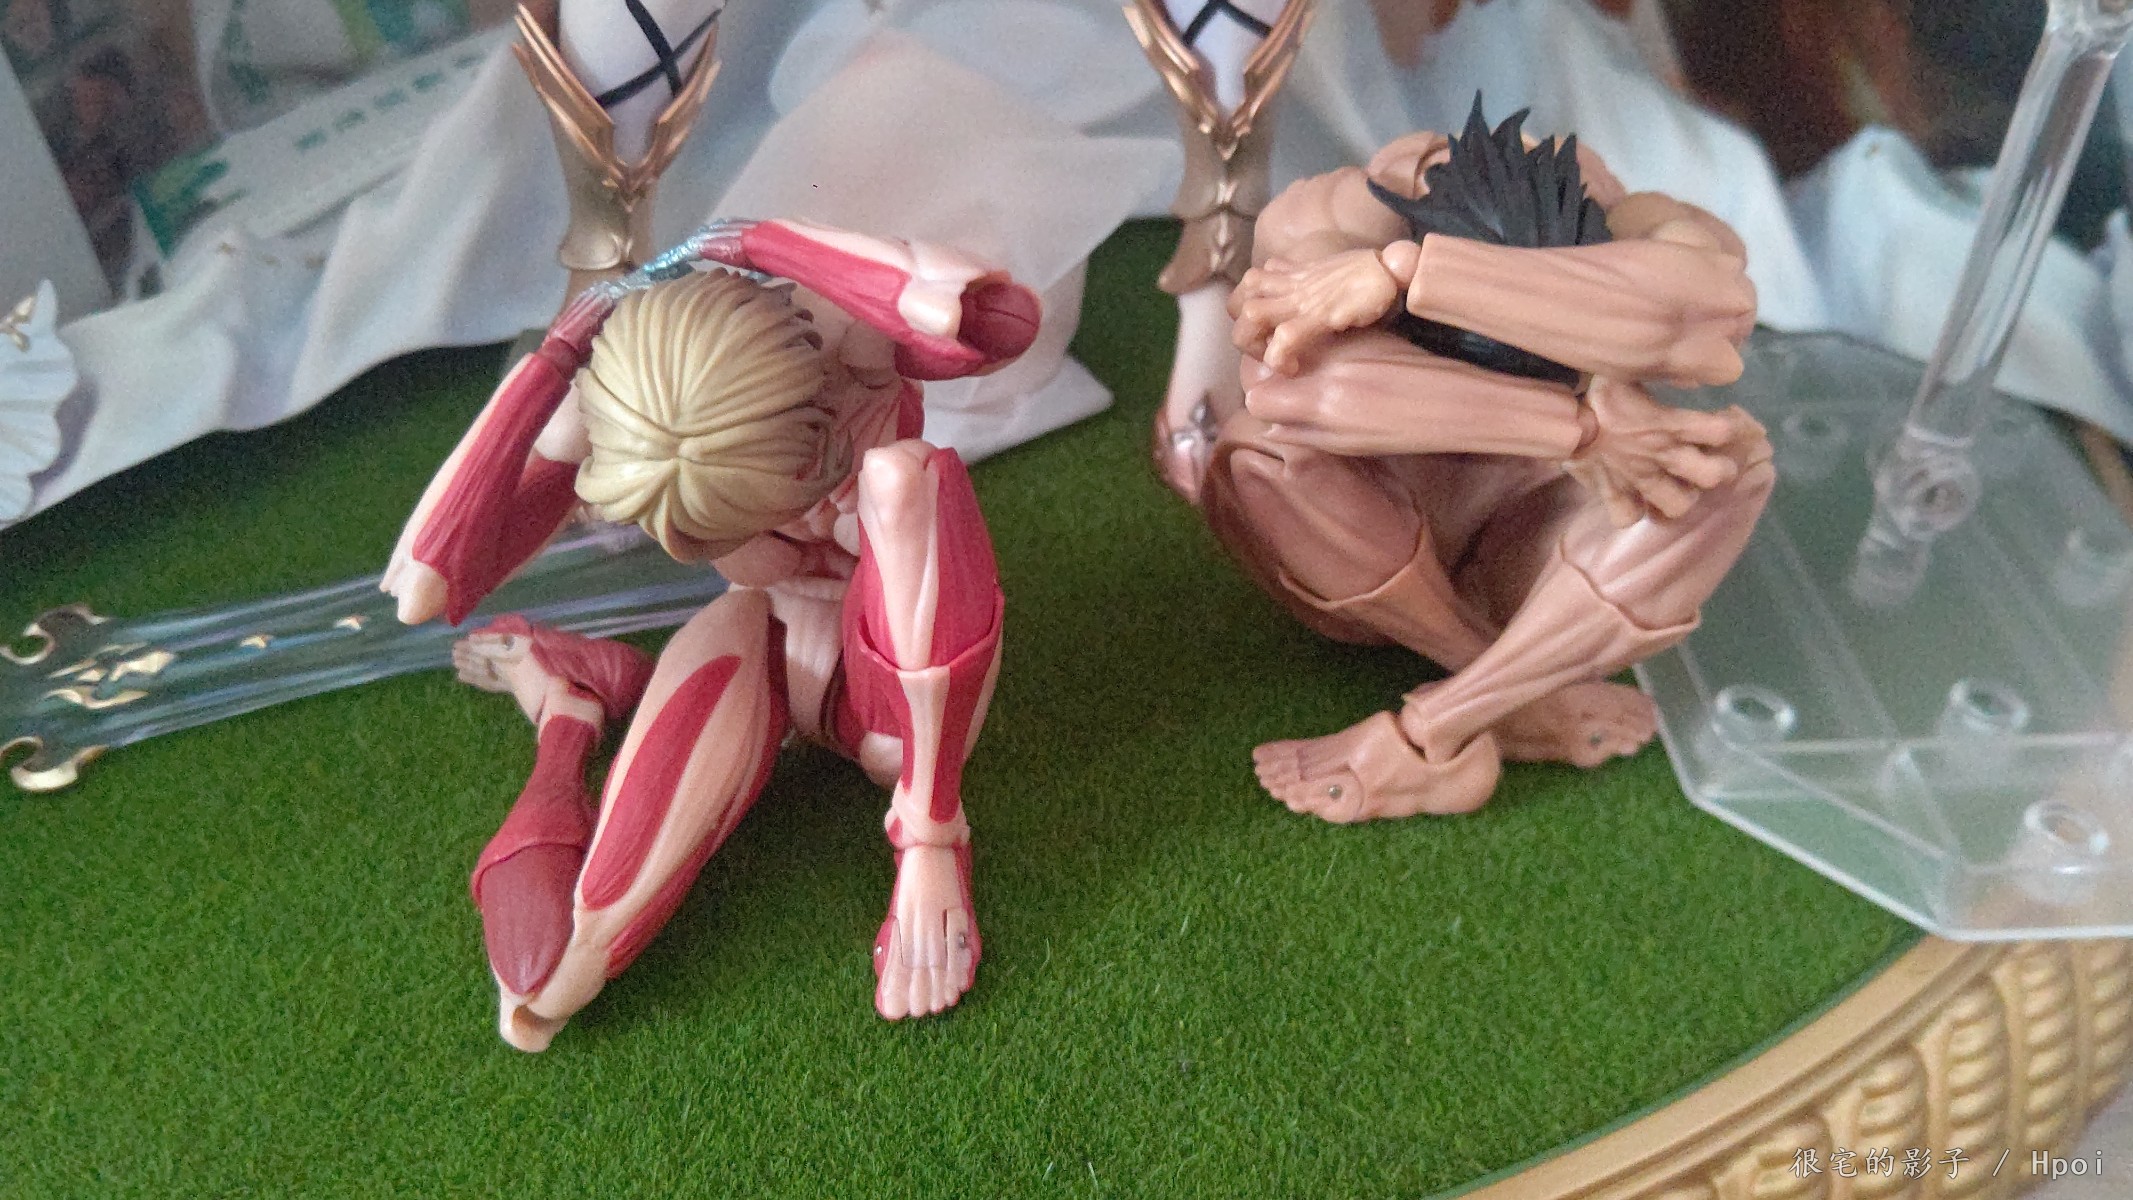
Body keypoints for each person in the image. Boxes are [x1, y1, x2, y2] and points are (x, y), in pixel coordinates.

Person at [383, 217, 1040, 1050]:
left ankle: (930, 831)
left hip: (892, 682)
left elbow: (988, 314)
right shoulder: (611, 404)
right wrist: (552, 360)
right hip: (761, 633)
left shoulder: (855, 347)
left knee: (902, 483)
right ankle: (570, 712)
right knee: (556, 976)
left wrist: (755, 240)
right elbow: (429, 584)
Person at [1205, 101, 1773, 822]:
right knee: (1264, 450)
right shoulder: (1332, 219)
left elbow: (1712, 305)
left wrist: (1413, 275)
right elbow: (1303, 389)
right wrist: (1580, 429)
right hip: (1376, 548)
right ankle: (1521, 693)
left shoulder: (1626, 213)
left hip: (1530, 540)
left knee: (1726, 472)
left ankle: (1437, 731)